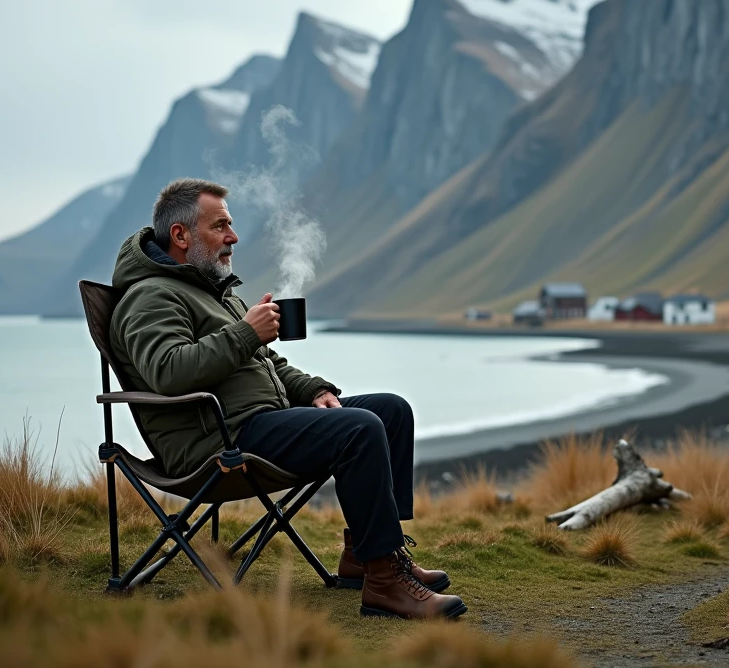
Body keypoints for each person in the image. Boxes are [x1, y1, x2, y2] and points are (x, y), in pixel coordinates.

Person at [109, 178, 465, 619]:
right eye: (220, 226)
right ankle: (386, 583)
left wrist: (314, 389)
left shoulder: (213, 293)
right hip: (217, 442)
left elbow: (268, 361)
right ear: (180, 236)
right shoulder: (148, 296)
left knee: (389, 410)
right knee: (359, 428)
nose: (233, 237)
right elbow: (167, 372)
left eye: (231, 225)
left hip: (261, 424)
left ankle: (368, 555)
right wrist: (245, 332)